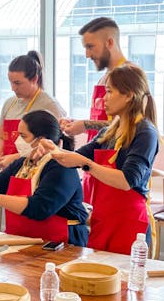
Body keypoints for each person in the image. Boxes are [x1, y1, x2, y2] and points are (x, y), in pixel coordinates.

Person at [37, 64, 159, 255]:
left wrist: (87, 165)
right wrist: (52, 149)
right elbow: (77, 157)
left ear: (129, 95)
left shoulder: (145, 133)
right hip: (103, 220)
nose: (104, 99)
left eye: (110, 92)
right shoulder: (109, 132)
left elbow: (127, 181)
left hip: (129, 223)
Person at [0, 110, 88, 246]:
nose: (17, 141)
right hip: (22, 238)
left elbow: (41, 208)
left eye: (23, 136)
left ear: (42, 140)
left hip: (60, 243)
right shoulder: (23, 162)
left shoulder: (62, 167)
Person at [60, 17, 130, 205]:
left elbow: (132, 124)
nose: (87, 55)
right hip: (96, 162)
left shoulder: (131, 76)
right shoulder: (104, 79)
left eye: (91, 47)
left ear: (109, 42)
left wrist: (85, 125)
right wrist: (77, 123)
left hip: (116, 170)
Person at [0, 50, 66, 170]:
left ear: (34, 79)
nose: (13, 88)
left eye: (18, 83)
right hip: (8, 169)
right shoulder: (9, 103)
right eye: (11, 82)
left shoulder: (49, 105)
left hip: (35, 170)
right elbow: (0, 137)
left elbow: (52, 147)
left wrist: (16, 158)